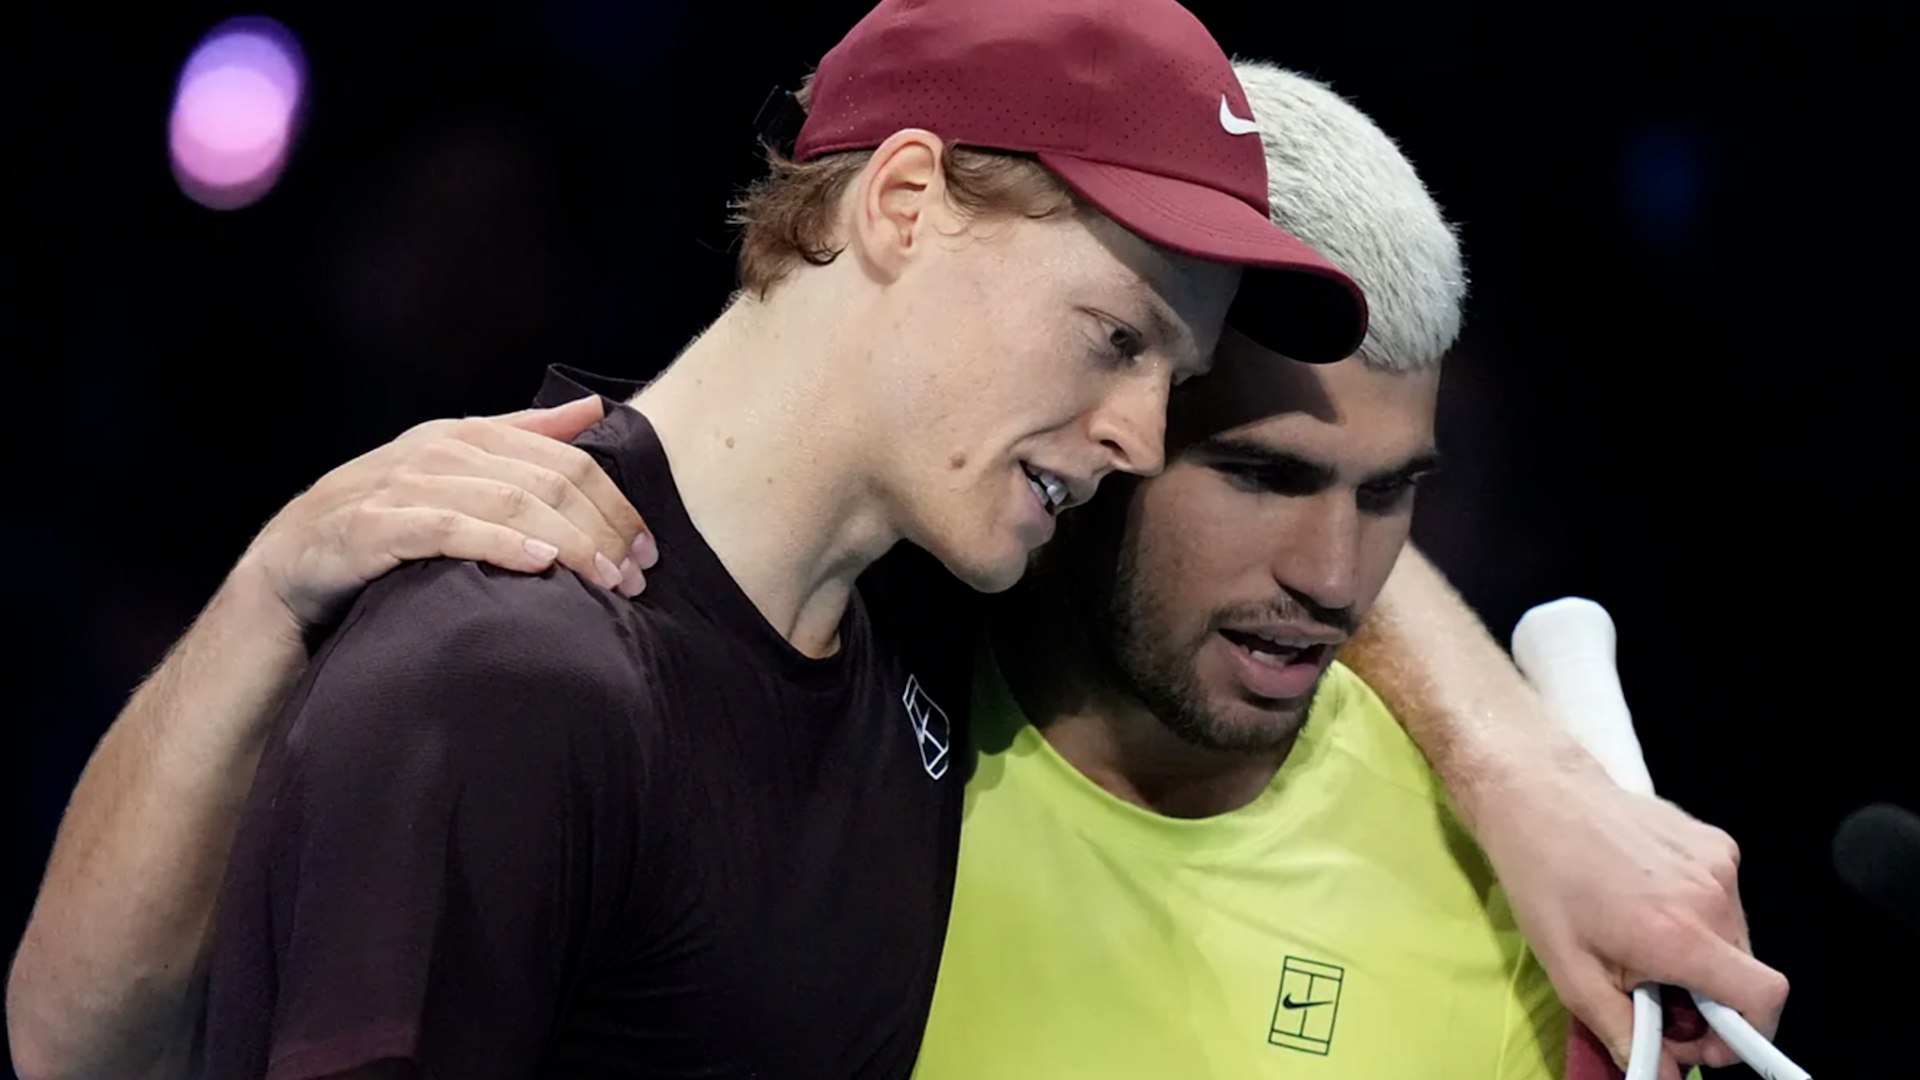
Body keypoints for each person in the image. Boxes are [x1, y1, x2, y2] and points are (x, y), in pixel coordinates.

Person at [6, 14, 1786, 1080]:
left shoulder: (926, 615)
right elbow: (79, 1053)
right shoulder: (515, 648)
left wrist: (1526, 776)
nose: (1140, 442)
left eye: (1175, 380)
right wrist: (270, 596)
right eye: (1111, 339)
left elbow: (1315, 531)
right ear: (904, 200)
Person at [909, 60, 1560, 1078]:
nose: (1336, 578)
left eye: (1388, 493)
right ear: (1106, 423)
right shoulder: (826, 716)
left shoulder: (1535, 905)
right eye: (1263, 474)